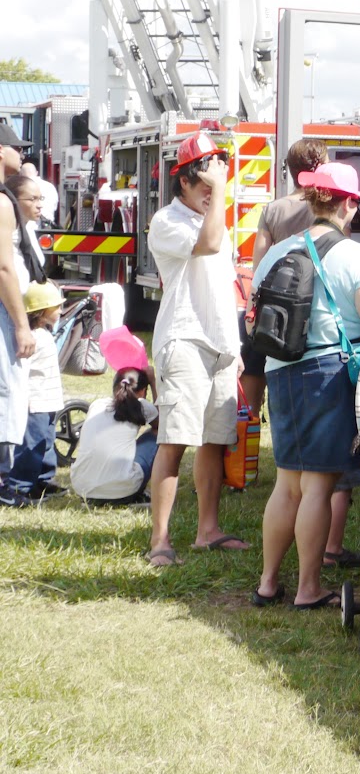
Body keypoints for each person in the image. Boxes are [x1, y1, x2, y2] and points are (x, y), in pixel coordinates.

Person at [252, 161, 360, 609]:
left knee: (286, 484)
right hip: (327, 375)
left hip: (280, 369)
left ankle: (268, 583)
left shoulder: (278, 251)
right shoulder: (355, 256)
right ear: (349, 204)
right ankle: (308, 588)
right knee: (317, 487)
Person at [145, 131, 248, 566]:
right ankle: (159, 540)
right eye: (205, 183)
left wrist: (235, 347)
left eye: (217, 183)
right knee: (175, 440)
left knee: (214, 441)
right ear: (183, 182)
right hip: (184, 338)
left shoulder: (213, 218)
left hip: (220, 344)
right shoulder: (166, 221)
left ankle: (208, 531)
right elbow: (208, 245)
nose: (212, 191)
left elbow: (224, 286)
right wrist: (221, 190)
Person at [240, 138, 328, 435]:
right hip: (314, 305)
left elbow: (259, 265)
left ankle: (249, 430)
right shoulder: (328, 210)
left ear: (290, 169)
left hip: (275, 308)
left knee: (254, 368)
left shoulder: (273, 210)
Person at [0, 125, 38, 507]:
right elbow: (3, 268)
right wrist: (22, 325)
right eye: (16, 148)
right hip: (3, 309)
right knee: (7, 390)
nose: (22, 154)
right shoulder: (1, 202)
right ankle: (2, 482)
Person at [70, 367, 158, 504]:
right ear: (142, 391)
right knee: (156, 434)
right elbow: (163, 425)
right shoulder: (142, 406)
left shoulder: (97, 404)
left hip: (83, 489)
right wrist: (153, 382)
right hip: (123, 493)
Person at [10, 281, 64, 499]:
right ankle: (20, 486)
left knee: (47, 443)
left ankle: (43, 479)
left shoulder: (44, 333)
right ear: (42, 311)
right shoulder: (32, 339)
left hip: (49, 401)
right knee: (32, 445)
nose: (60, 311)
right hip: (35, 402)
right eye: (56, 307)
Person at [20, 159, 59, 228]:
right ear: (37, 173)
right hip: (48, 228)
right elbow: (55, 206)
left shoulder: (22, 187)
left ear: (21, 175)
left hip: (29, 227)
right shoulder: (50, 186)